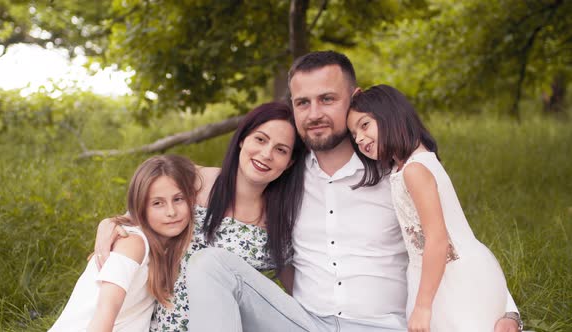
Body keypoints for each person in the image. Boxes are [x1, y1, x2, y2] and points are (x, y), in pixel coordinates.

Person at [185, 51, 523, 332]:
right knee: (209, 264)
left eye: (327, 99)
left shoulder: (397, 172)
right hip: (305, 323)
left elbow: (453, 239)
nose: (314, 113)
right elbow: (229, 180)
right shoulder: (285, 171)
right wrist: (139, 218)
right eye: (302, 103)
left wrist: (507, 311)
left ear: (355, 98)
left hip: (386, 325)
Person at [94, 102, 307, 331]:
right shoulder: (197, 182)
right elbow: (143, 211)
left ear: (289, 163)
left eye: (281, 150)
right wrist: (109, 223)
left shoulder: (281, 220)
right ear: (243, 139)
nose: (266, 154)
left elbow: (293, 298)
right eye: (261, 139)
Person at [347, 84, 513, 331]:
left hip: (452, 278)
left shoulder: (414, 170)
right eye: (353, 134)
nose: (359, 138)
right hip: (438, 272)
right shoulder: (408, 165)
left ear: (391, 115)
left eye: (364, 125)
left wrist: (423, 306)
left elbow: (437, 240)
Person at [50, 154, 197, 331]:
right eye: (158, 203)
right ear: (140, 208)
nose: (171, 212)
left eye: (178, 199)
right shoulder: (133, 243)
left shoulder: (168, 247)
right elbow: (105, 312)